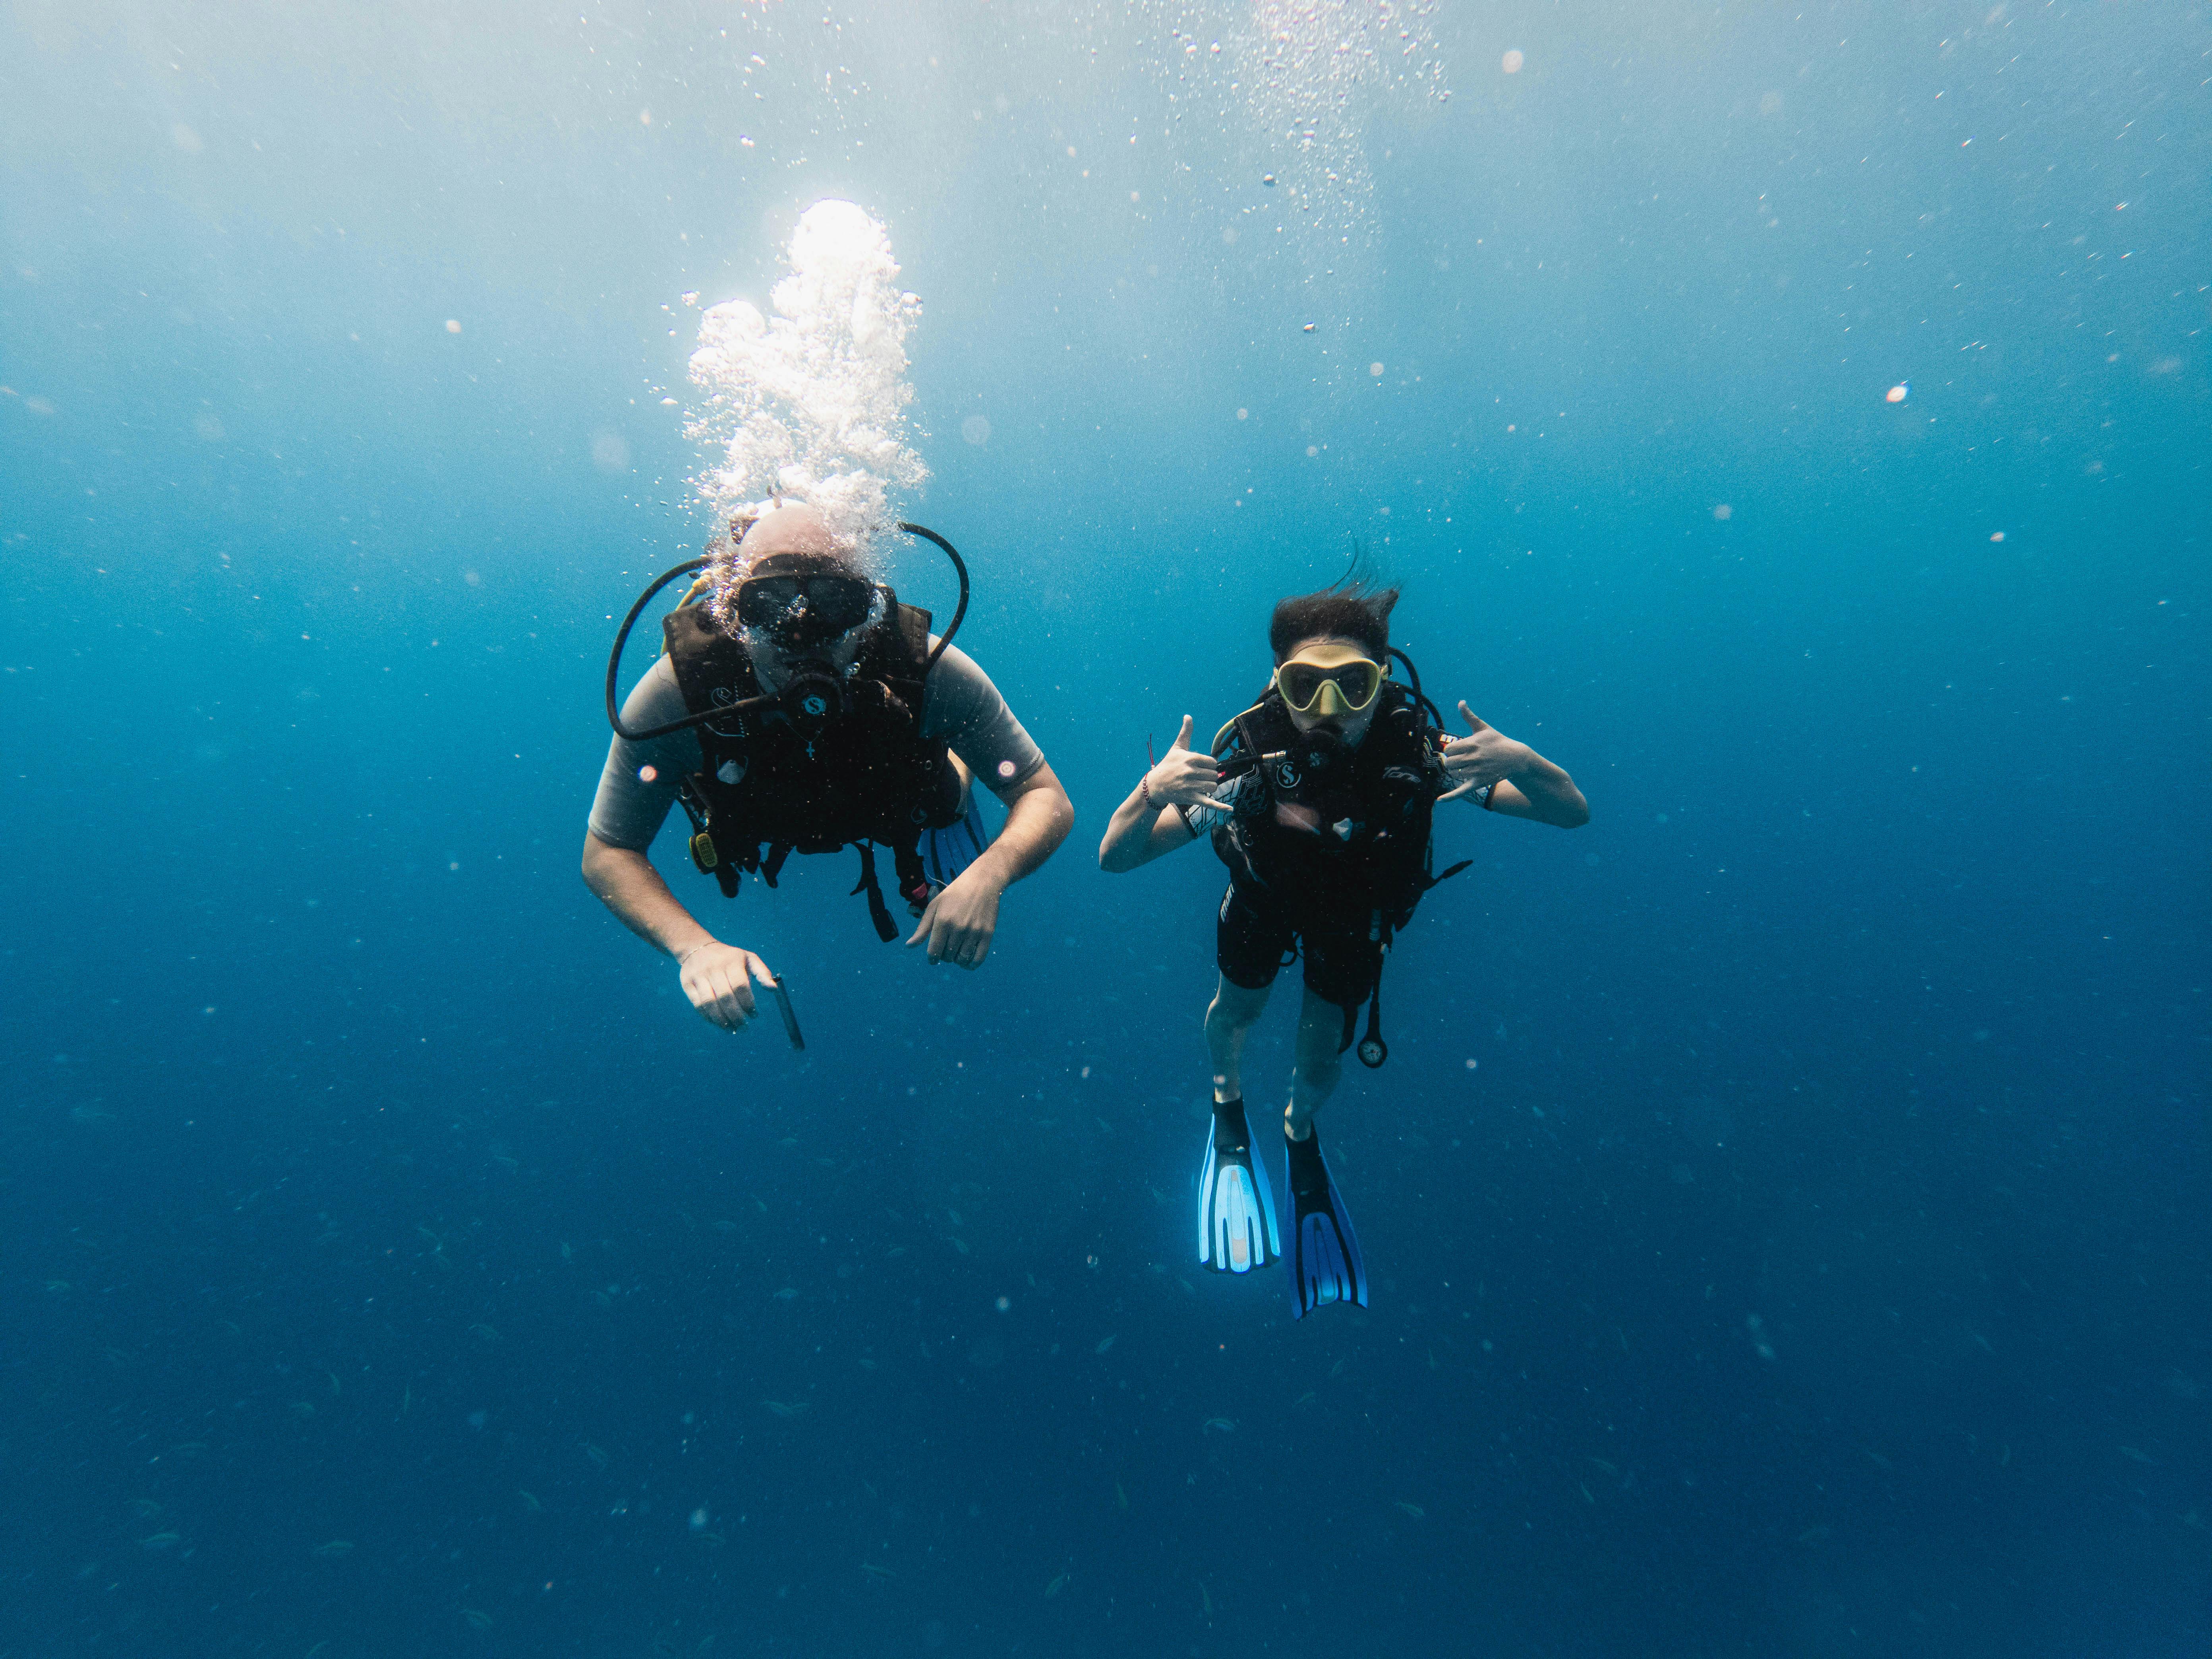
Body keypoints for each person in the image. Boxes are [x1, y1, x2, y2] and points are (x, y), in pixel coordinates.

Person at [1098, 577, 1589, 1315]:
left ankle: (1298, 1131)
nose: (1328, 710)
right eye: (1305, 686)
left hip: (1355, 924)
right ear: (1278, 687)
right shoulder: (1246, 768)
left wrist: (1523, 761)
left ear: (1383, 682)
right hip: (1262, 903)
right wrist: (1151, 792)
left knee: (1322, 1046)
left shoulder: (1427, 757)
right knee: (1236, 1010)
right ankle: (1227, 1105)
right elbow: (1116, 856)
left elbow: (1570, 812)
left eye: (1353, 686)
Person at [585, 502, 1073, 1034]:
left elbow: (1043, 793)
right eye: (769, 601)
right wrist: (694, 949)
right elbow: (608, 851)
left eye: (833, 598)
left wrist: (990, 875)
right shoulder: (680, 692)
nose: (803, 628)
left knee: (944, 800)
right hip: (753, 812)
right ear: (732, 608)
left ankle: (958, 760)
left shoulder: (928, 672)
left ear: (867, 605)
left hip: (901, 801)